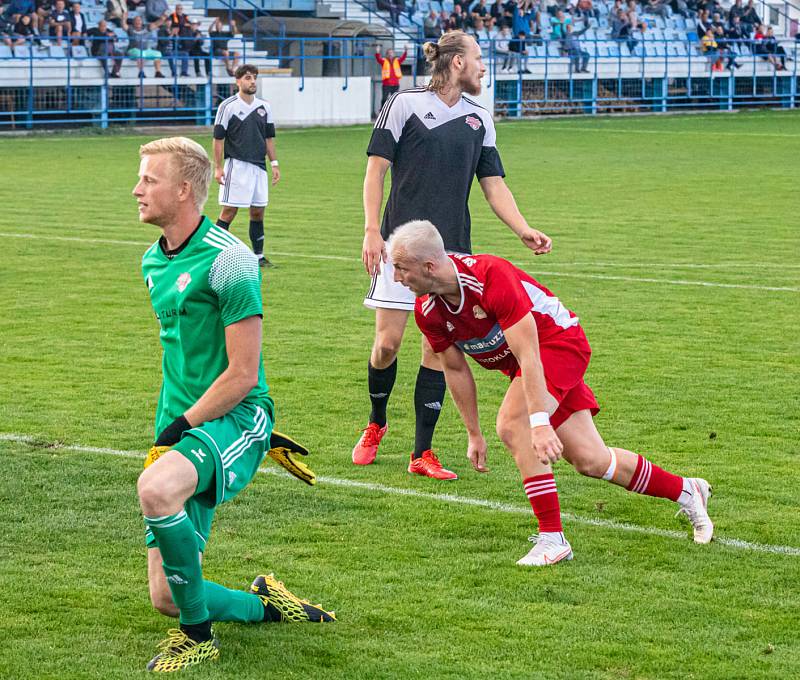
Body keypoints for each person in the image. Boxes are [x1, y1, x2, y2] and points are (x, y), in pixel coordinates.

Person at [388, 220, 714, 565]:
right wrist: (473, 433)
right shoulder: (427, 311)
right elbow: (455, 369)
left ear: (429, 266)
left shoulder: (490, 276)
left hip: (558, 345)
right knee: (592, 460)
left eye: (400, 268)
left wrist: (539, 423)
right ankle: (687, 490)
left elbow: (530, 353)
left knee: (514, 424)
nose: (396, 278)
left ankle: (552, 538)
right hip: (526, 366)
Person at [134, 137, 335, 672]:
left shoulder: (232, 262)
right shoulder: (153, 261)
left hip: (234, 416)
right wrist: (170, 426)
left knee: (154, 488)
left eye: (149, 180)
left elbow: (243, 374)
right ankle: (265, 605)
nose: (137, 190)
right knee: (167, 596)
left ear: (184, 190)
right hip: (181, 424)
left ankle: (198, 637)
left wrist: (184, 425)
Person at [356, 31, 552, 480]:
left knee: (436, 348)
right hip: (399, 249)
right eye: (480, 59)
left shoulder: (479, 118)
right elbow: (375, 171)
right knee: (386, 345)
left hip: (451, 257)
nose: (484, 68)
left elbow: (493, 184)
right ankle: (376, 421)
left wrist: (522, 229)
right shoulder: (403, 104)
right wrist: (371, 230)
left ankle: (421, 452)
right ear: (458, 62)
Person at [213, 64, 280, 268]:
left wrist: (274, 163)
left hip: (259, 167)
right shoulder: (227, 106)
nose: (252, 82)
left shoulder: (264, 107)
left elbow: (268, 138)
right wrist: (218, 167)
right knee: (229, 211)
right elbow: (218, 139)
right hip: (237, 165)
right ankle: (213, 254)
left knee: (258, 212)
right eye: (248, 78)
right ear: (238, 81)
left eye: (254, 78)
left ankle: (259, 257)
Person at [127, 13, 164, 78]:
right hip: (133, 50)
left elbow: (157, 23)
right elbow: (123, 25)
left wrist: (164, 16)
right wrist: (123, 18)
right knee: (141, 54)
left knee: (158, 54)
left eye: (139, 20)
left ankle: (158, 72)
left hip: (146, 50)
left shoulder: (147, 28)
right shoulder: (130, 29)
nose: (138, 22)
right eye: (136, 20)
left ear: (142, 22)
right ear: (133, 22)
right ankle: (141, 72)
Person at [375, 44, 407, 108]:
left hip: (395, 84)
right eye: (389, 53)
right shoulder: (384, 61)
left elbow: (403, 58)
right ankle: (382, 111)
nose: (390, 54)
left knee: (394, 100)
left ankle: (393, 112)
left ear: (394, 54)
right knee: (384, 98)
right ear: (387, 54)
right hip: (386, 84)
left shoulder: (397, 61)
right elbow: (378, 59)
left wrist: (406, 50)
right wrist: (377, 52)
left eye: (392, 53)